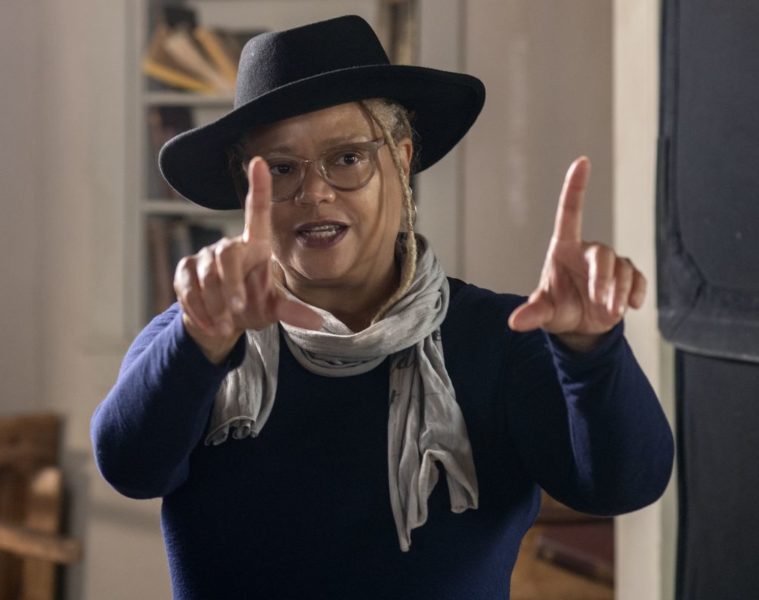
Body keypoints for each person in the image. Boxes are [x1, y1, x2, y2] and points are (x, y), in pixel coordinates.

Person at [91, 15, 674, 600]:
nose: (315, 192)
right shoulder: (199, 335)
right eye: (282, 169)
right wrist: (197, 344)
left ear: (401, 159)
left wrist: (591, 352)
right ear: (248, 190)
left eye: (347, 158)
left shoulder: (502, 339)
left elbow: (624, 486)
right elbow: (130, 469)